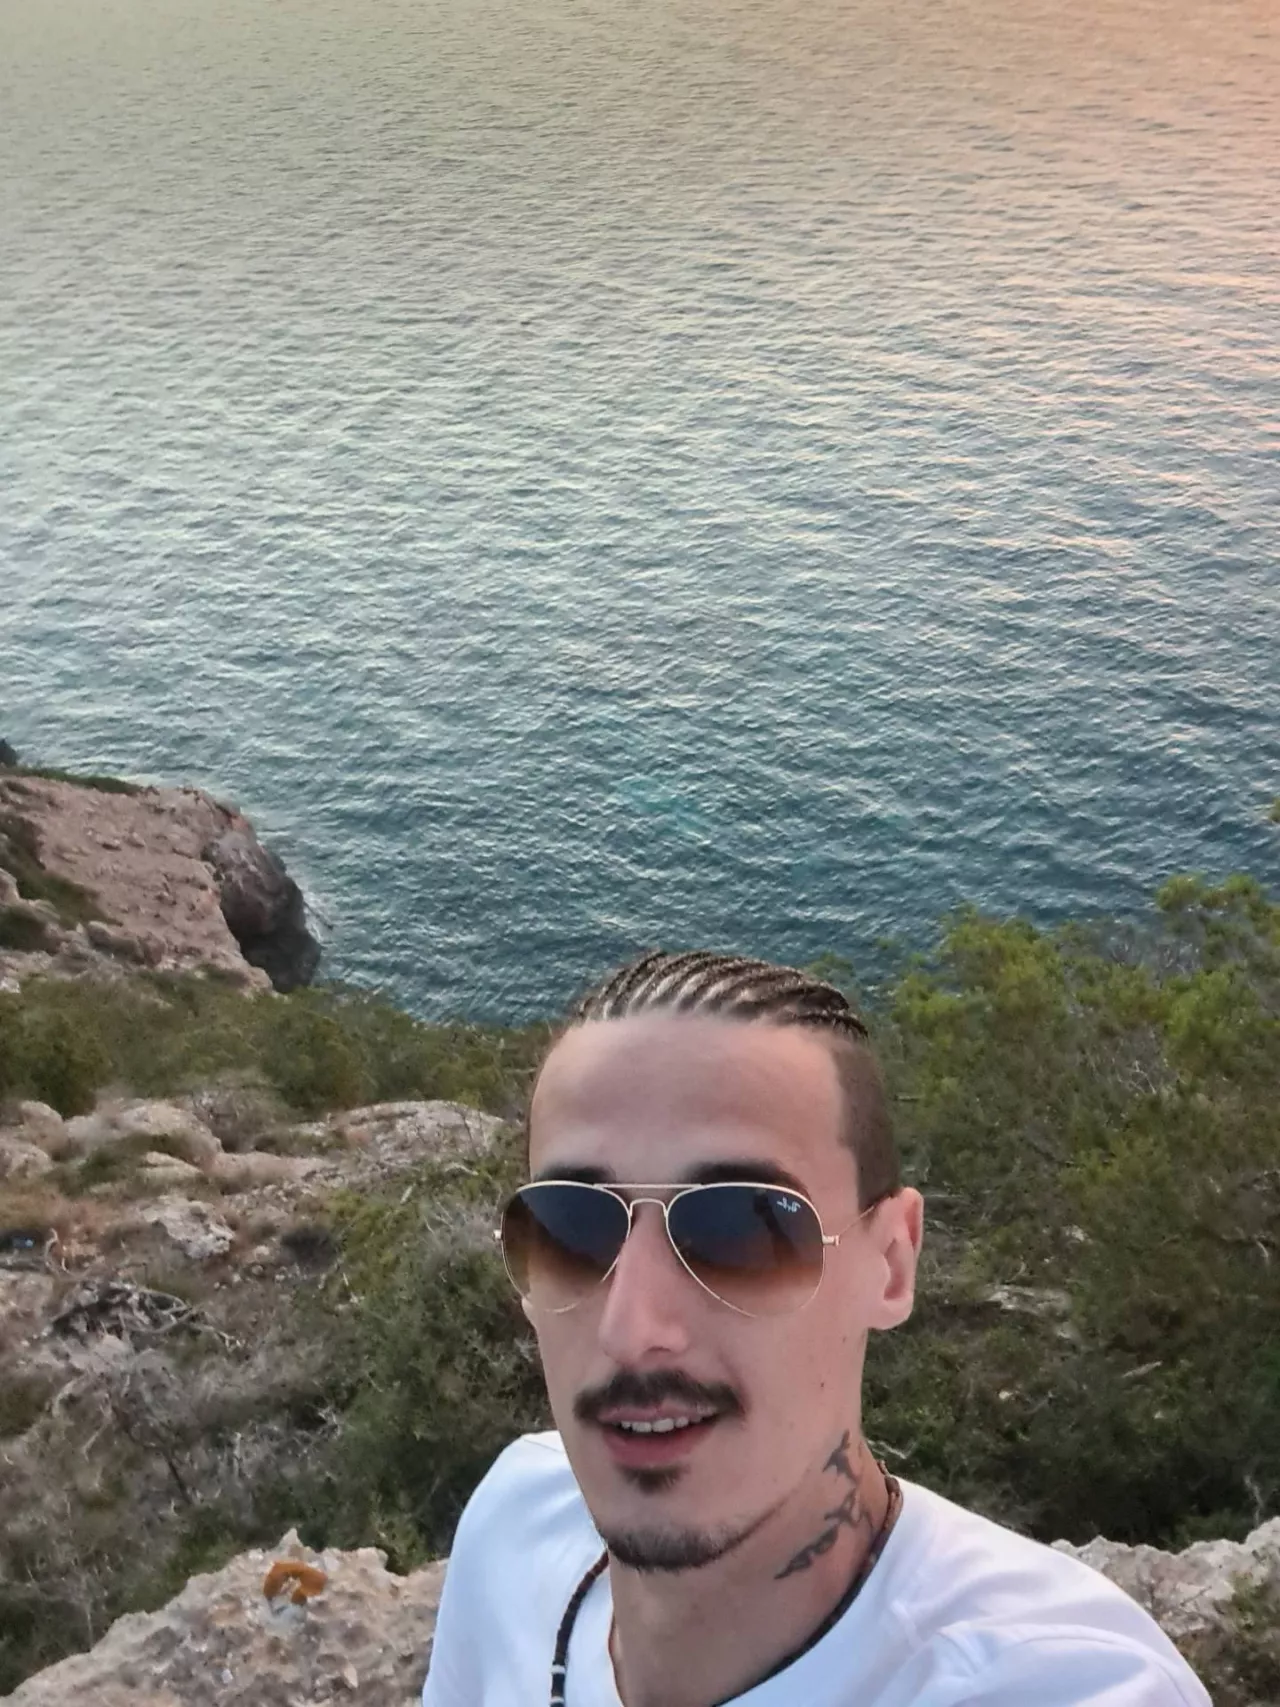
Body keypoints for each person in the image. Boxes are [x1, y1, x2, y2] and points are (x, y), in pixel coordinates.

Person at [421, 950, 1211, 1707]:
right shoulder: (514, 1526)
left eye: (744, 1229)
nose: (632, 1328)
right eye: (571, 1229)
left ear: (891, 1262)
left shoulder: (1063, 1685)